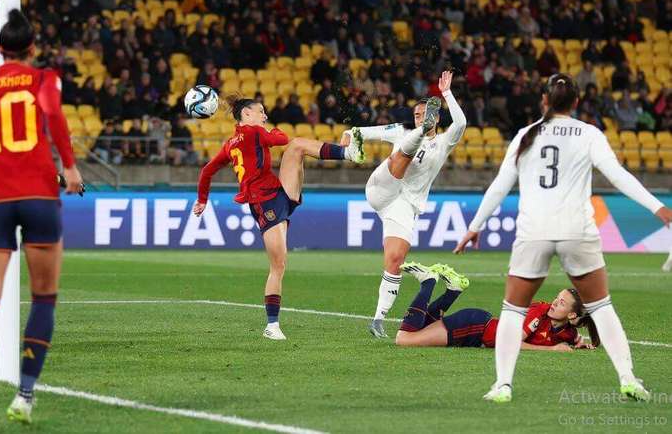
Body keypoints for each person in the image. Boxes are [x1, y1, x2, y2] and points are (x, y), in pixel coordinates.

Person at [455, 73, 672, 403]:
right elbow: (618, 176)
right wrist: (660, 209)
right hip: (576, 231)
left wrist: (475, 226)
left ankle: (502, 385)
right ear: (576, 102)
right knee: (601, 307)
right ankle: (628, 378)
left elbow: (499, 186)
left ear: (543, 101)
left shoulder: (526, 135)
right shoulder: (588, 134)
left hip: (534, 232)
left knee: (513, 311)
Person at [0, 9, 83, 432]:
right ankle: (24, 397)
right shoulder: (45, 80)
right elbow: (55, 116)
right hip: (39, 195)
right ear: (33, 49)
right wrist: (71, 166)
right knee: (43, 299)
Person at [192, 95, 361, 340]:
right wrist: (269, 129)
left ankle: (348, 153)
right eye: (260, 111)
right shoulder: (253, 132)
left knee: (298, 146)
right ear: (246, 115)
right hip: (264, 202)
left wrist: (202, 200)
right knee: (278, 264)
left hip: (276, 193)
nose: (264, 116)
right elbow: (279, 138)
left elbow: (206, 171)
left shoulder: (230, 143)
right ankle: (272, 326)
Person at [342, 71, 466, 338]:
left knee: (395, 259)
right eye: (418, 116)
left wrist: (447, 94)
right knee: (401, 156)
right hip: (383, 187)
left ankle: (378, 320)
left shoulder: (444, 143)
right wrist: (348, 135)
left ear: (436, 118)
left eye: (425, 116)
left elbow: (461, 122)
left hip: (404, 205)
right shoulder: (400, 132)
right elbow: (361, 132)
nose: (420, 117)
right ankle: (417, 138)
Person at [395, 262, 599, 351]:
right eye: (557, 297)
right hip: (472, 328)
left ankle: (453, 291)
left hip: (477, 327)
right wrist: (553, 350)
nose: (554, 302)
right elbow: (510, 343)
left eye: (561, 303)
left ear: (572, 315)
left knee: (419, 329)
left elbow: (574, 339)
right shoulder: (540, 312)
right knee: (404, 339)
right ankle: (428, 281)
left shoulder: (567, 332)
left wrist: (582, 345)